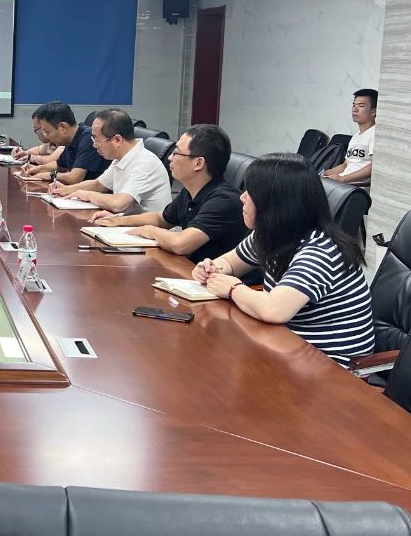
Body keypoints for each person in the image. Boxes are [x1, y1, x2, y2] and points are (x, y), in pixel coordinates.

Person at [193, 153, 374, 366]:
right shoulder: (272, 234)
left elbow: (273, 310)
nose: (242, 197)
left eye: (251, 192)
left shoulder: (320, 250)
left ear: (275, 203)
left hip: (329, 365)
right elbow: (231, 263)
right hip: (285, 344)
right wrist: (211, 268)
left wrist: (233, 288)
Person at [90, 124, 246, 263]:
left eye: (176, 153)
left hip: (222, 281)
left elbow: (181, 244)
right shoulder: (190, 191)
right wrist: (118, 220)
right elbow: (161, 218)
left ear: (198, 163)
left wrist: (150, 231)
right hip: (193, 271)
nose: (170, 158)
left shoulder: (224, 201)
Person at [53, 108, 171, 215]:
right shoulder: (121, 157)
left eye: (97, 140)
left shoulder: (145, 163)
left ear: (117, 140)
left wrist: (87, 194)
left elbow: (118, 204)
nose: (94, 145)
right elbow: (98, 185)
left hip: (149, 230)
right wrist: (66, 190)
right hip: (126, 223)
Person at [18, 101, 107, 186]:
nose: (47, 137)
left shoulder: (88, 137)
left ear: (63, 127)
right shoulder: (69, 140)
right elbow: (59, 165)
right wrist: (37, 169)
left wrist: (49, 175)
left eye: (48, 132)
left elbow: (74, 178)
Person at [323, 88, 377, 185]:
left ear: (374, 111)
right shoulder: (356, 136)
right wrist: (325, 173)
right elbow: (345, 165)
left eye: (361, 106)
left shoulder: (375, 134)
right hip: (344, 183)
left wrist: (343, 179)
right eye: (354, 105)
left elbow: (375, 166)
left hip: (356, 187)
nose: (355, 109)